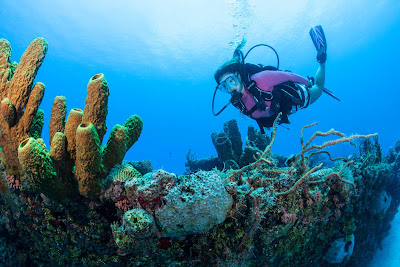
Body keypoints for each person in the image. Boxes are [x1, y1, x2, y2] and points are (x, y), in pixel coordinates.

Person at [213, 25, 329, 134]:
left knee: (318, 88)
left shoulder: (260, 79)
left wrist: (307, 83)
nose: (229, 88)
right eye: (223, 86)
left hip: (297, 97)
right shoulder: (235, 101)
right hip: (282, 111)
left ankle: (321, 60)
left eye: (231, 81)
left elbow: (288, 76)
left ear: (238, 76)